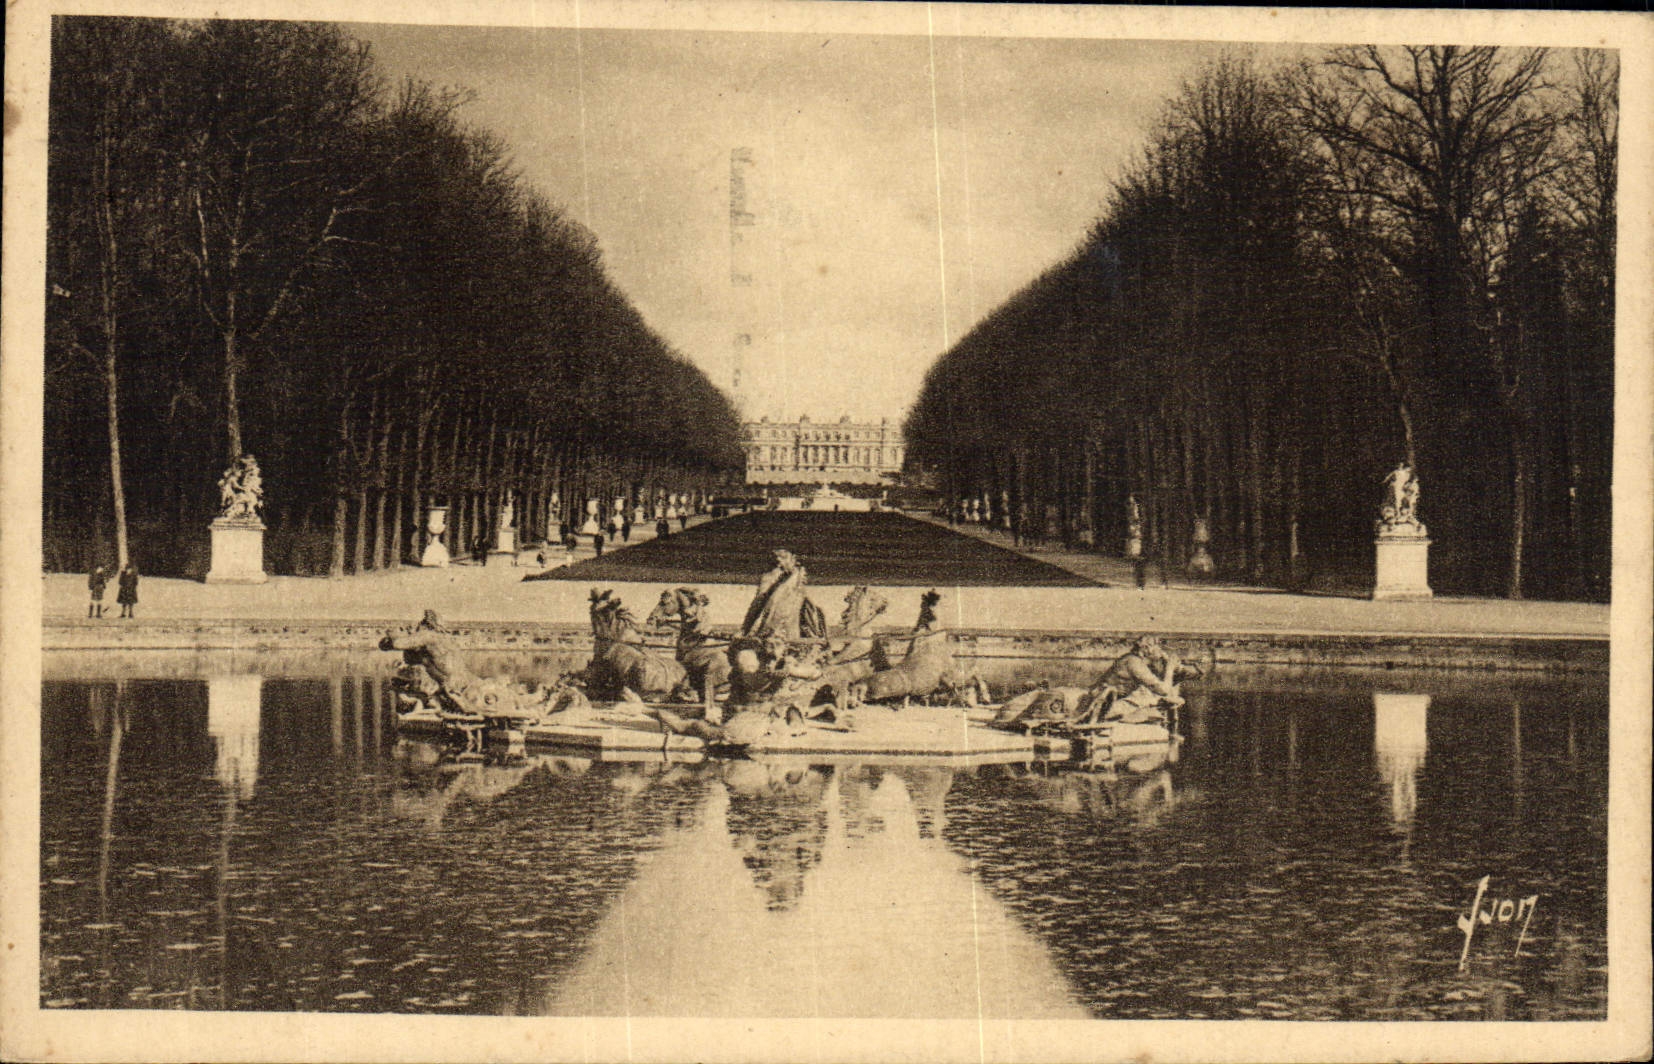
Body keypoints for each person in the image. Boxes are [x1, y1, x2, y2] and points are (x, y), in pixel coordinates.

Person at [1088, 636, 1182, 722]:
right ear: (1146, 648)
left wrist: (1168, 666)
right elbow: (1163, 690)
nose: (1162, 652)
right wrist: (1170, 668)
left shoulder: (1132, 659)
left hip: (1110, 702)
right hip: (1107, 706)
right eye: (1159, 648)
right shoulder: (1134, 663)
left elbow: (1158, 683)